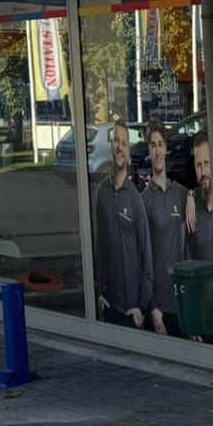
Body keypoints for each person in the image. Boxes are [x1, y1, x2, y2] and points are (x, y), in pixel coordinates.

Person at [92, 119, 152, 329]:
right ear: (111, 145)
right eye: (116, 140)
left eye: (124, 143)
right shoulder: (102, 192)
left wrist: (141, 307)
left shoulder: (136, 199)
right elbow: (99, 247)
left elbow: (146, 256)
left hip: (131, 311)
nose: (119, 147)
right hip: (108, 307)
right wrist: (98, 293)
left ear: (128, 151)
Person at [140, 120, 191, 336]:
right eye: (153, 146)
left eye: (160, 145)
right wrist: (152, 307)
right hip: (159, 309)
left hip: (181, 301)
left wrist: (191, 195)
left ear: (166, 148)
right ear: (149, 150)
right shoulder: (144, 200)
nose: (157, 151)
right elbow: (142, 257)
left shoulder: (180, 193)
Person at [185, 132, 213, 264]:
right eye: (199, 165)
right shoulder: (191, 209)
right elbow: (189, 258)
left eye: (207, 163)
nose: (203, 172)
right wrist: (190, 194)